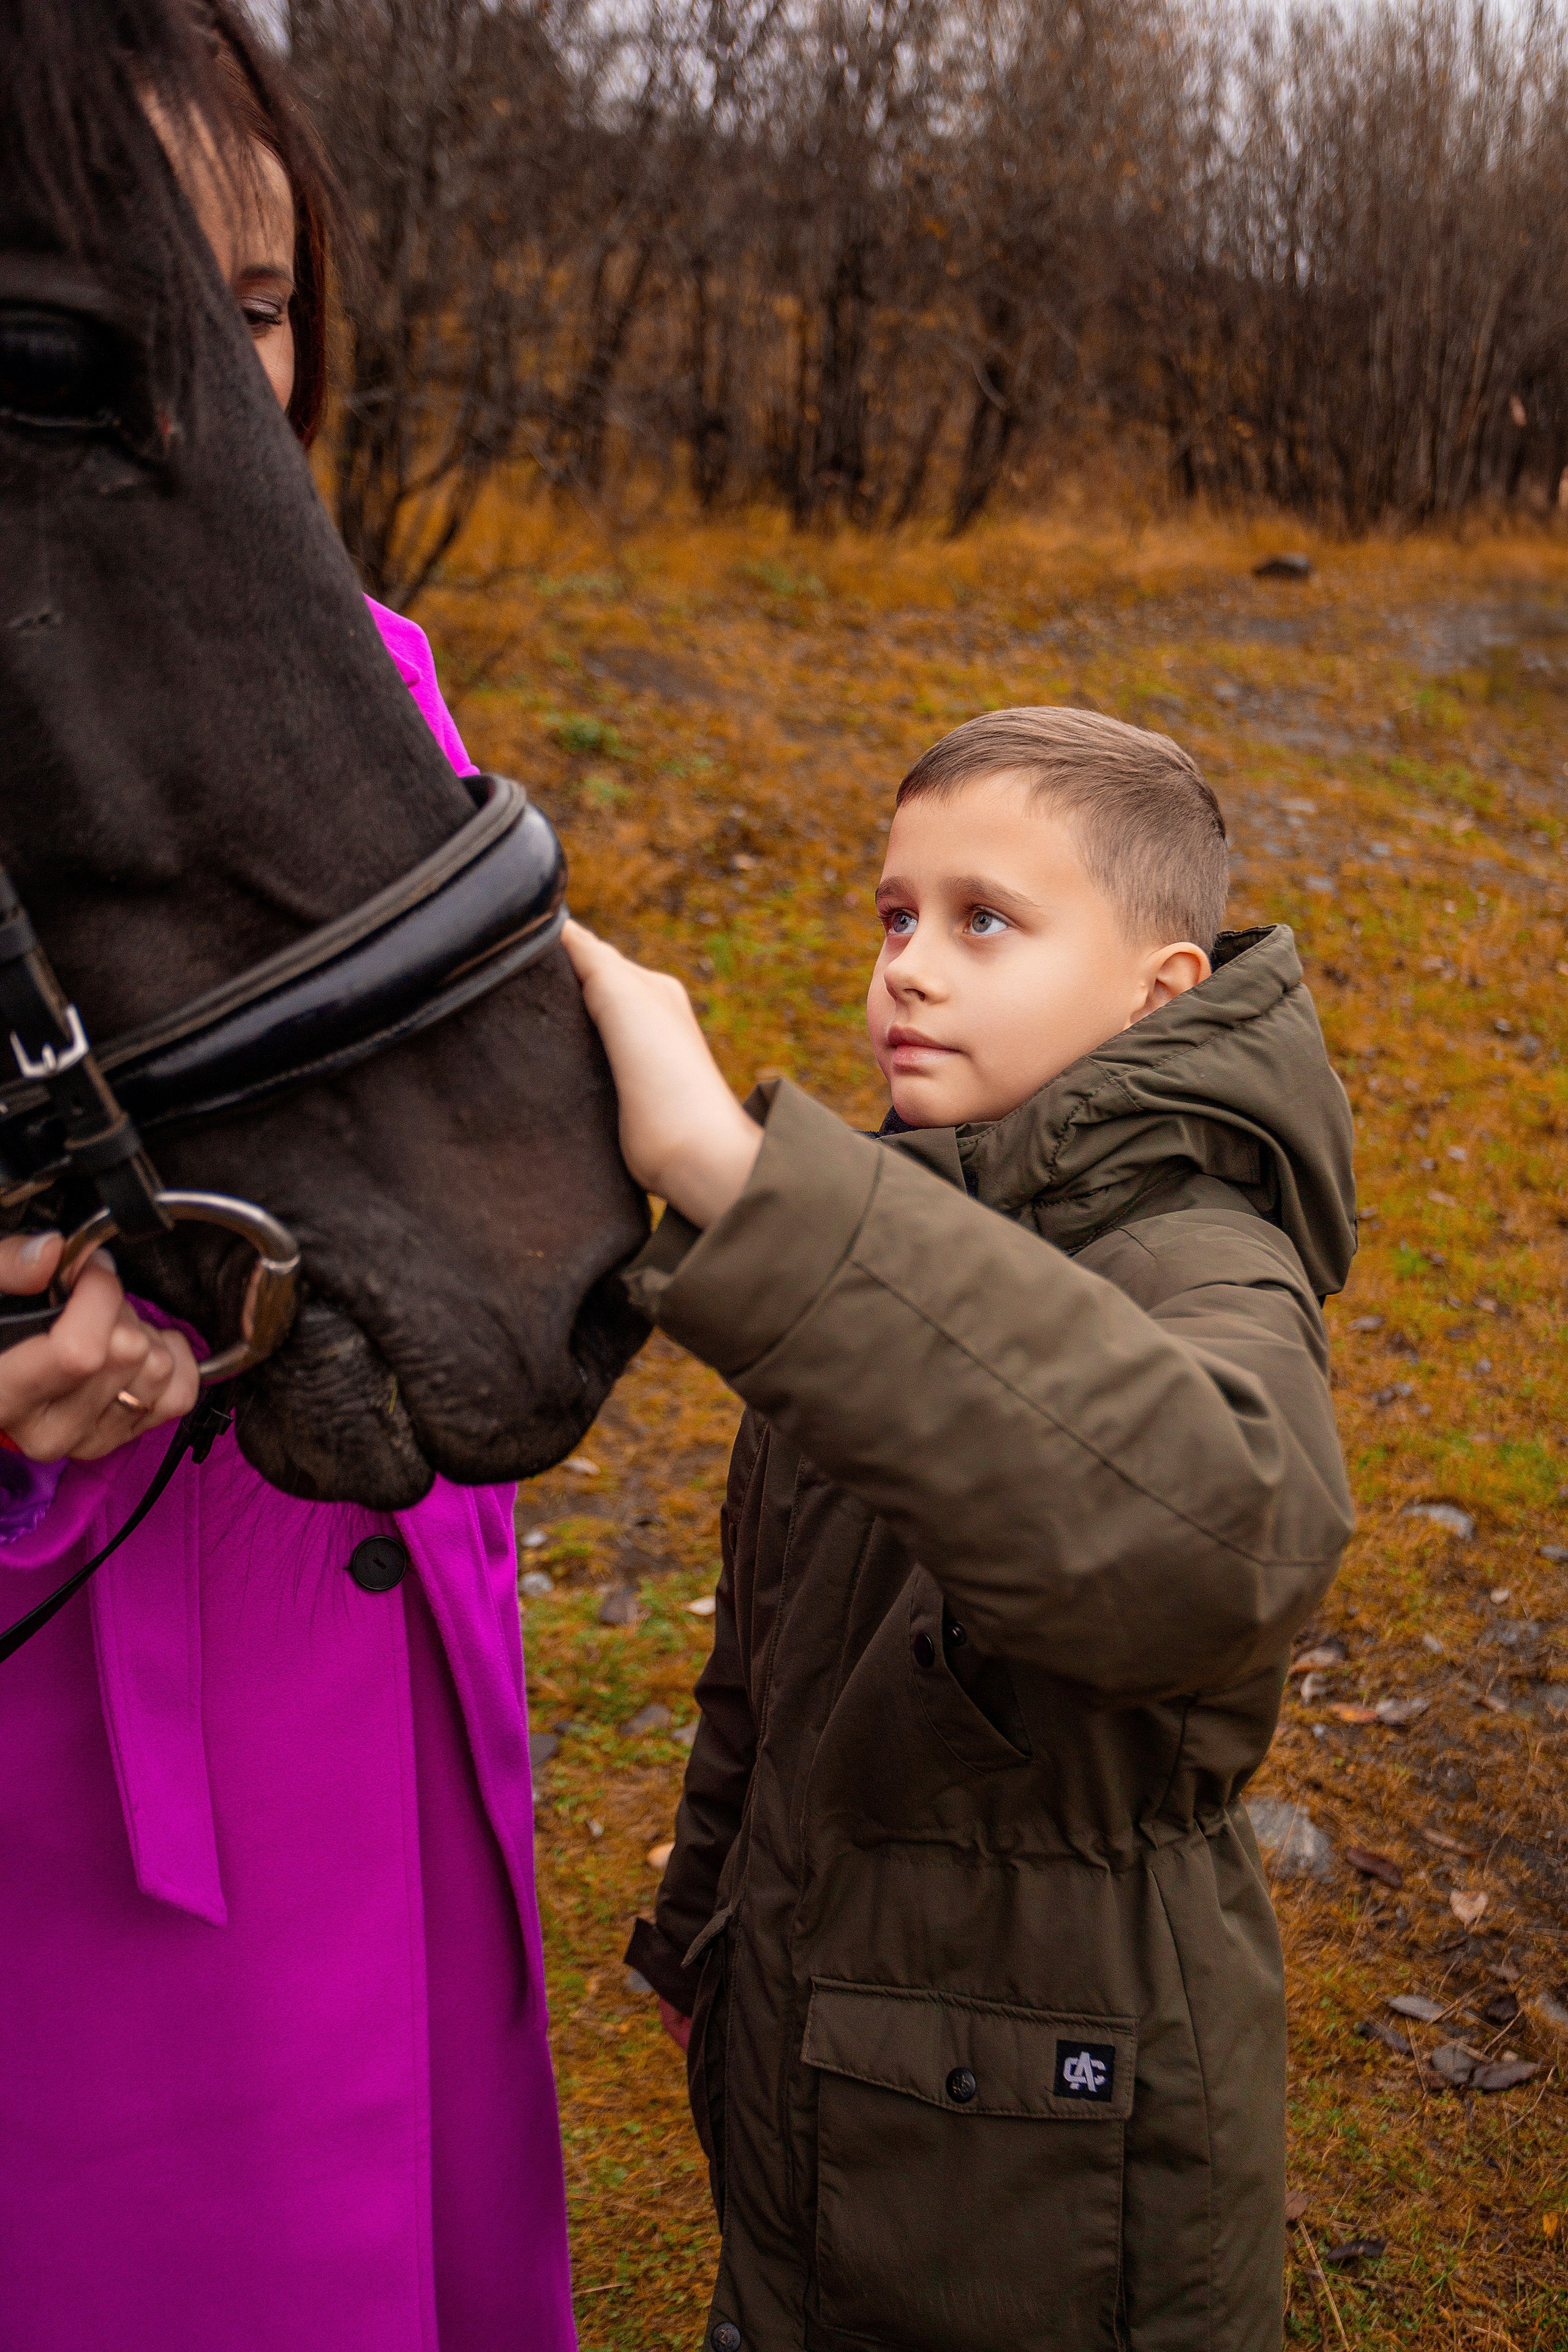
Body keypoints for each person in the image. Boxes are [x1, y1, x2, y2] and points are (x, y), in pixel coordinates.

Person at [0, 13, 575, 2348]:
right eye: (131, 332)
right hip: (120, 1832)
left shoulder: (384, 686)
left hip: (407, 1682)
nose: (241, 388)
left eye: (261, 304)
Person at [565, 707, 1357, 2352]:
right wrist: (704, 1913)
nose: (911, 969)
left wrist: (730, 1170)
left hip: (1062, 2148)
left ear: (1165, 993)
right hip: (821, 2055)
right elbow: (776, 1659)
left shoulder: (1196, 1250)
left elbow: (1225, 1546)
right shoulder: (900, 1220)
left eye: (984, 921)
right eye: (896, 916)